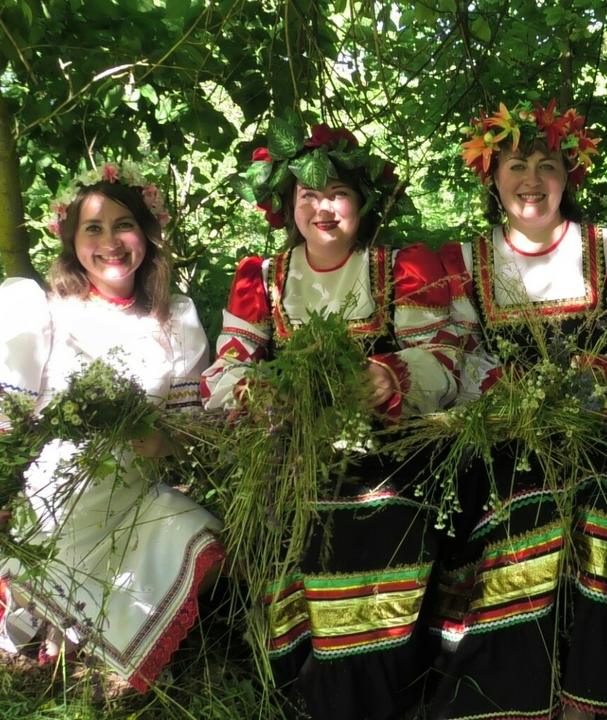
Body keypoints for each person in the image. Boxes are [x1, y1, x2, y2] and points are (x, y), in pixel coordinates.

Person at [430, 99, 607, 720]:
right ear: (491, 175)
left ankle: (593, 691)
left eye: (548, 165)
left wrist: (586, 385)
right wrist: (509, 393)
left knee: (599, 497)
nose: (532, 180)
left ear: (570, 176)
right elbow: (454, 358)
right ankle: (511, 689)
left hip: (599, 428)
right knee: (523, 507)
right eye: (517, 165)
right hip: (504, 432)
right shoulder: (465, 261)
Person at [0, 161, 225, 690]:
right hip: (51, 501)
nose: (110, 242)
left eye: (123, 225)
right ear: (71, 240)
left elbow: (188, 437)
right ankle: (46, 612)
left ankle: (108, 634)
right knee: (52, 633)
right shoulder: (38, 310)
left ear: (148, 234)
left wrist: (151, 436)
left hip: (134, 496)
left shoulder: (176, 317)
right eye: (93, 228)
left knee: (204, 539)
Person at [200, 124, 458, 719]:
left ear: (361, 203)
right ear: (288, 206)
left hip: (390, 445)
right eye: (307, 194)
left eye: (336, 191)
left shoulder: (400, 267)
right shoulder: (262, 278)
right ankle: (307, 687)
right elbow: (225, 369)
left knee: (376, 510)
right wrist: (261, 393)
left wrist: (390, 377)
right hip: (293, 449)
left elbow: (443, 361)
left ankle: (383, 684)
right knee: (288, 515)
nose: (322, 206)